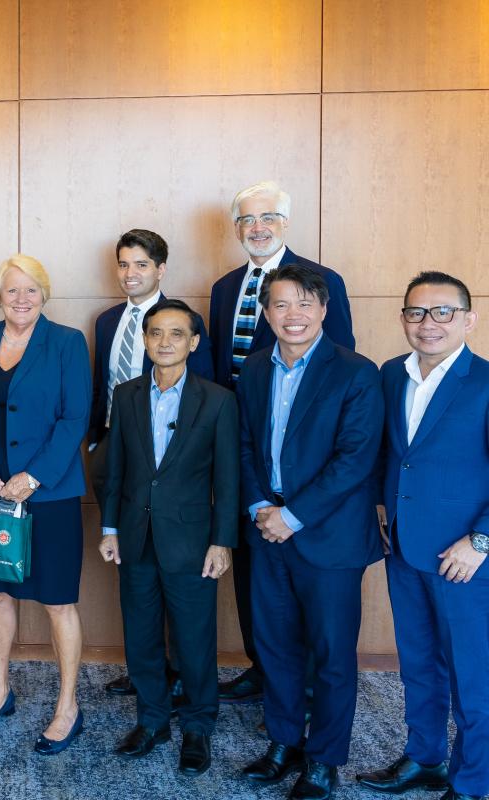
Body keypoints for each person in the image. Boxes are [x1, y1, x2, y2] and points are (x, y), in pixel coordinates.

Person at [235, 265, 382, 800]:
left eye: (303, 304)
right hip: (265, 531)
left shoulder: (355, 372)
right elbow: (244, 445)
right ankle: (283, 742)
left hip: (328, 538)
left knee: (332, 654)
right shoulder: (252, 371)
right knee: (275, 647)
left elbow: (354, 460)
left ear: (322, 310)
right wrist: (258, 506)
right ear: (266, 313)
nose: (291, 315)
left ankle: (323, 760)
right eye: (280, 305)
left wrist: (290, 516)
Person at [208, 181, 356, 705]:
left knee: (306, 580)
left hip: (307, 465)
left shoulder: (322, 281)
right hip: (242, 445)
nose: (258, 227)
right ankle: (262, 663)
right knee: (253, 564)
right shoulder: (225, 287)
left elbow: (338, 371)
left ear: (285, 223)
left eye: (268, 217)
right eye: (247, 220)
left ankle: (306, 682)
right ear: (236, 229)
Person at [356, 272, 488, 800]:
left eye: (442, 312)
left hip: (466, 557)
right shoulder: (391, 375)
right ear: (403, 318)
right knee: (417, 661)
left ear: (468, 320)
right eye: (416, 312)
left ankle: (475, 781)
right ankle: (425, 757)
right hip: (406, 547)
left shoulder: (485, 381)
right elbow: (393, 453)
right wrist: (383, 504)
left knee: (474, 675)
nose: (428, 323)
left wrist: (481, 541)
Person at [0, 254, 91, 756]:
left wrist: (33, 476)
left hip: (48, 494)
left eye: (31, 289)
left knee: (58, 602)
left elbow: (76, 417)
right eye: (12, 290)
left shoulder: (67, 342)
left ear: (44, 294)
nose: (22, 298)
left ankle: (68, 706)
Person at [98, 299, 239, 777]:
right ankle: (153, 720)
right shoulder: (127, 393)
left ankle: (198, 725)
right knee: (140, 637)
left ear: (193, 343)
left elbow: (228, 479)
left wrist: (222, 541)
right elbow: (115, 469)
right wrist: (110, 527)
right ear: (145, 340)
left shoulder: (218, 400)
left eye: (176, 334)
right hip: (135, 538)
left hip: (194, 543)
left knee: (194, 639)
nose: (164, 342)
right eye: (156, 333)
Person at [89, 228, 214, 698]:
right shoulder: (106, 321)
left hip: (172, 466)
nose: (130, 273)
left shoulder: (182, 321)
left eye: (141, 264)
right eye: (123, 264)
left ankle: (182, 673)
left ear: (160, 269)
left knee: (175, 564)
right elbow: (102, 384)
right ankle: (149, 670)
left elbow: (202, 393)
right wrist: (95, 446)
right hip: (114, 454)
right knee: (134, 562)